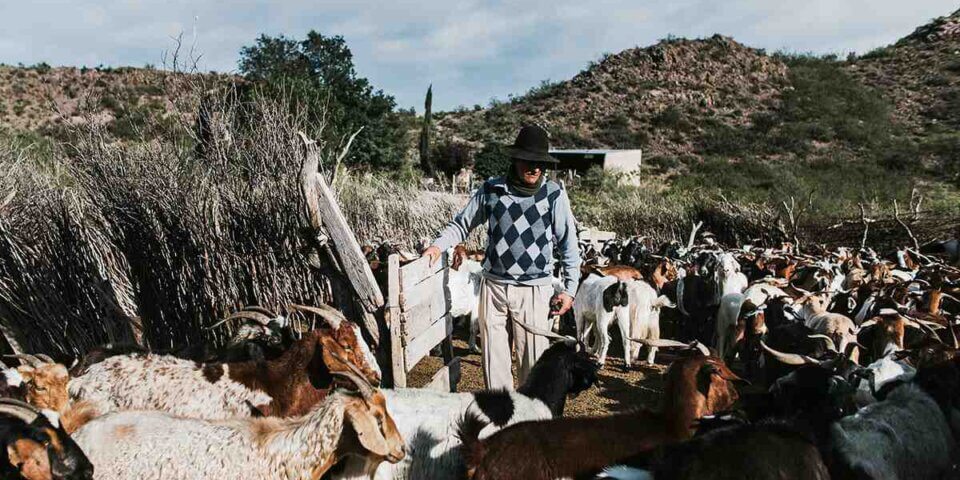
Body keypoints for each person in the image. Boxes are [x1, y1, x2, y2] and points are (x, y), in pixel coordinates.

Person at [423, 125, 581, 389]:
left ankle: (531, 425)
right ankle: (501, 423)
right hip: (494, 287)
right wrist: (437, 246)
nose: (535, 168)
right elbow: (462, 224)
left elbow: (568, 245)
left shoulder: (553, 194)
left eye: (540, 163)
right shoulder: (492, 189)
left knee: (533, 364)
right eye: (529, 161)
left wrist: (570, 290)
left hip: (533, 290)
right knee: (494, 366)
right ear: (516, 159)